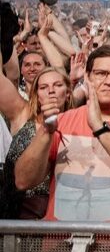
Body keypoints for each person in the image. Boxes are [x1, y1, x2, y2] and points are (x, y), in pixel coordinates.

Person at [15, 46, 110, 222]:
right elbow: (23, 181)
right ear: (88, 77)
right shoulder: (62, 121)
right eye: (101, 73)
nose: (108, 81)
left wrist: (99, 127)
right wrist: (46, 132)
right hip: (62, 242)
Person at [0, 64, 75, 219]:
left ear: (68, 93)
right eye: (43, 87)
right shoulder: (23, 114)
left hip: (50, 216)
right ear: (36, 95)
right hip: (11, 211)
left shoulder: (77, 126)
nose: (51, 91)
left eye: (58, 85)